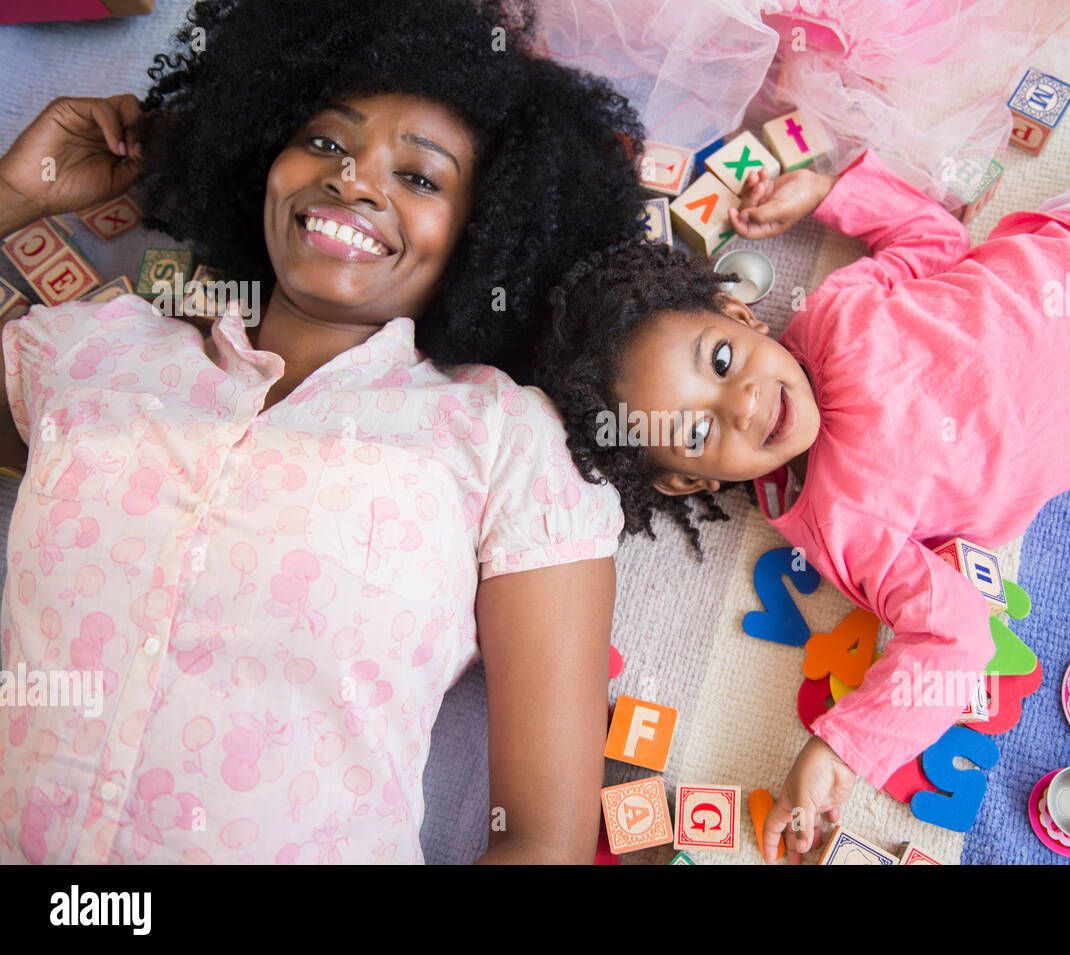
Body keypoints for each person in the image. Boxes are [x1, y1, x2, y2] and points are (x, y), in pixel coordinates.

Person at [538, 27, 1070, 863]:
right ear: (686, 481)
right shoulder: (838, 525)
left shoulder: (834, 312)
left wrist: (831, 191)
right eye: (697, 429)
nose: (745, 401)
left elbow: (933, 244)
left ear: (742, 317)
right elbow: (955, 636)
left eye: (722, 361)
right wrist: (842, 747)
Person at [0, 0, 646, 864]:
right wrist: (12, 192)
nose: (355, 180)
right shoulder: (91, 349)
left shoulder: (503, 438)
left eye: (420, 178)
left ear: (486, 236)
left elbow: (543, 840)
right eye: (325, 143)